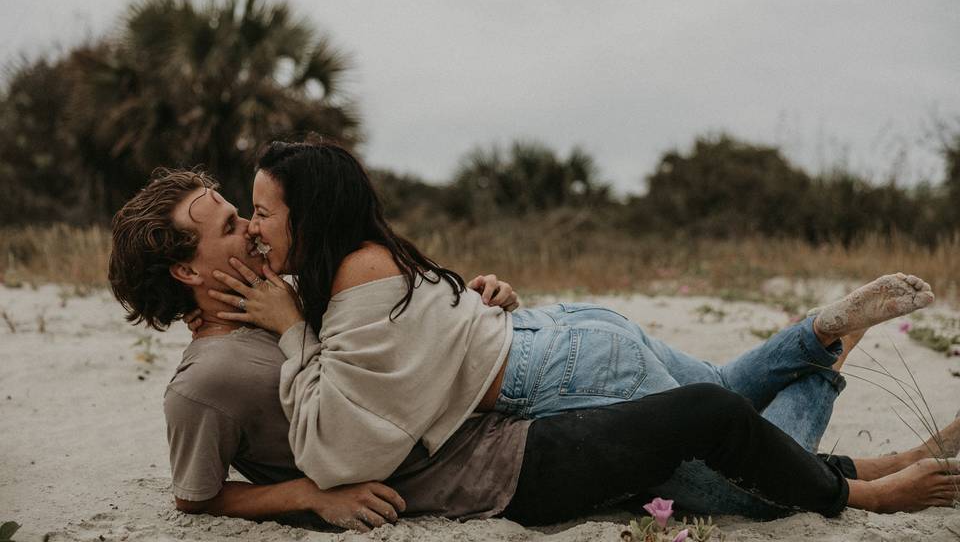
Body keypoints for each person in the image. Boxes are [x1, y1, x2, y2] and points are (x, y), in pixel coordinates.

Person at [195, 140, 954, 522]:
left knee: (747, 488)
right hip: (567, 335)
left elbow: (343, 451)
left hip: (559, 377)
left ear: (310, 217)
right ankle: (820, 348)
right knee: (723, 398)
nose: (255, 229)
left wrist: (295, 333)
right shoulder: (362, 261)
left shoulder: (350, 287)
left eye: (261, 212)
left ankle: (842, 427)